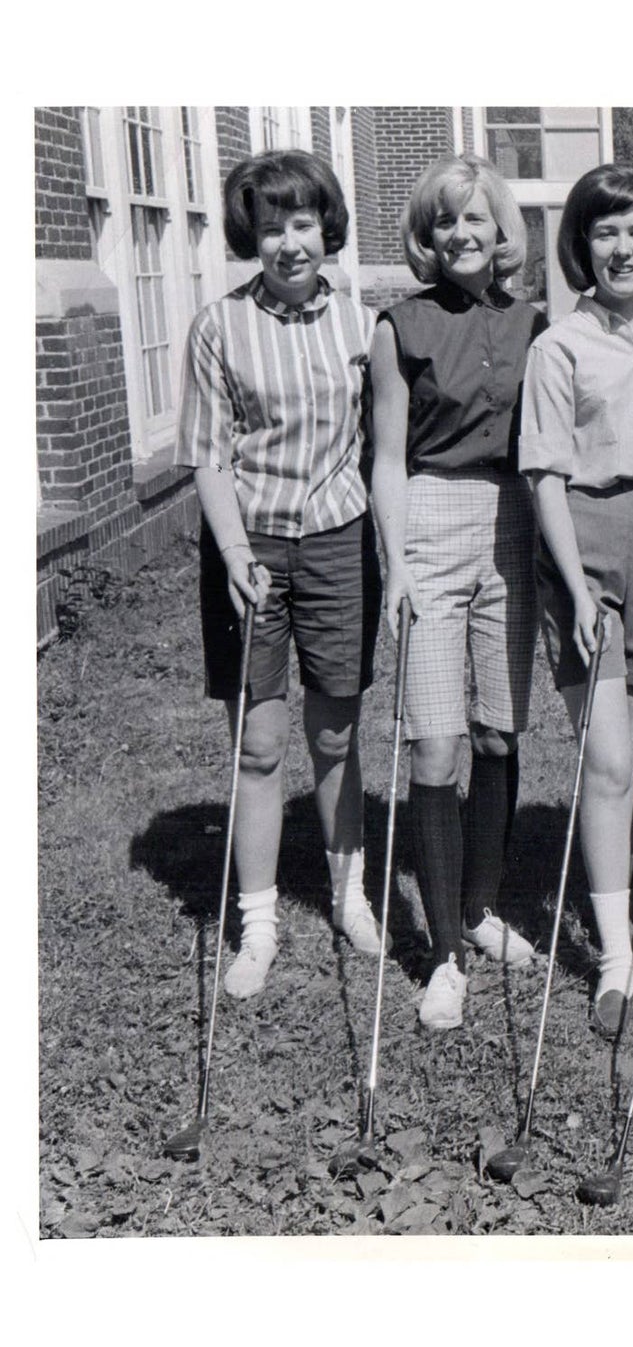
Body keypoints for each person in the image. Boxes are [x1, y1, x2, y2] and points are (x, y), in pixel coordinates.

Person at [175, 150, 383, 1000]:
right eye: (271, 227)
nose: (289, 243)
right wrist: (233, 557)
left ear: (325, 227)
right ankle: (257, 922)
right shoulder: (217, 327)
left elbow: (388, 445)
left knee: (334, 733)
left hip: (337, 537)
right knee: (258, 742)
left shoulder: (367, 326)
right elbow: (208, 456)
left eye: (303, 224)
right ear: (250, 236)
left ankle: (348, 894)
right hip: (249, 545)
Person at [370, 154, 544, 1032]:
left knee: (498, 729)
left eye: (476, 218)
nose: (461, 234)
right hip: (431, 518)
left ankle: (479, 909)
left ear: (501, 230)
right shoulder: (399, 326)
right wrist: (395, 560)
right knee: (435, 748)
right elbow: (387, 458)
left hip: (513, 521)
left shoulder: (534, 323)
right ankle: (440, 953)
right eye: (444, 221)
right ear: (426, 236)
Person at [519, 163, 633, 1039]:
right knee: (609, 759)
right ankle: (617, 960)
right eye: (604, 232)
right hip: (584, 545)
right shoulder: (558, 346)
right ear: (580, 246)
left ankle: (622, 913)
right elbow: (545, 475)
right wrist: (577, 586)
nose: (622, 247)